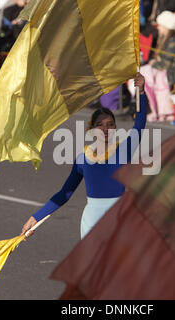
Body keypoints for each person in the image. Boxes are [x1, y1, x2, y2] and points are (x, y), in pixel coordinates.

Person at [21, 73, 147, 240]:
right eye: (100, 125)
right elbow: (65, 193)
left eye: (110, 125)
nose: (105, 129)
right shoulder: (83, 159)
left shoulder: (124, 150)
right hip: (91, 223)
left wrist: (142, 92)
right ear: (92, 129)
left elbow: (139, 125)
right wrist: (35, 217)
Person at [141, 10, 175, 122]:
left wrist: (153, 64)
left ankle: (159, 110)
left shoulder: (172, 40)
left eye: (161, 26)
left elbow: (165, 64)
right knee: (146, 73)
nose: (158, 28)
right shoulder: (165, 39)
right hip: (168, 70)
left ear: (167, 26)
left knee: (147, 74)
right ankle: (154, 108)